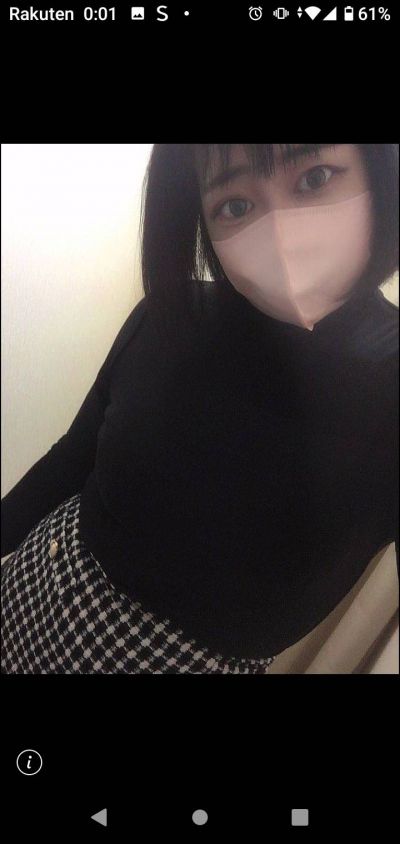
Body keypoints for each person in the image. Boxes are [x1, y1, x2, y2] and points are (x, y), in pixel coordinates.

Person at [1, 143, 398, 674]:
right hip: (24, 594)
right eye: (235, 205)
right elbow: (72, 458)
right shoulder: (169, 316)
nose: (281, 233)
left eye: (315, 177)